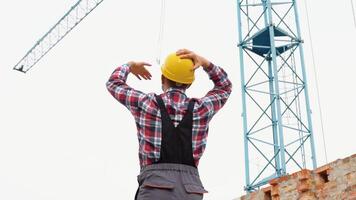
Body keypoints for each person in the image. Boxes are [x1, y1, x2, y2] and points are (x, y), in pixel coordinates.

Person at [106, 49, 232, 200]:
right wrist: (205, 63)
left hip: (155, 188)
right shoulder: (201, 109)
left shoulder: (146, 104)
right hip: (191, 191)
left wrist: (130, 65)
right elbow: (224, 86)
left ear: (162, 78)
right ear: (190, 83)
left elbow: (113, 83)